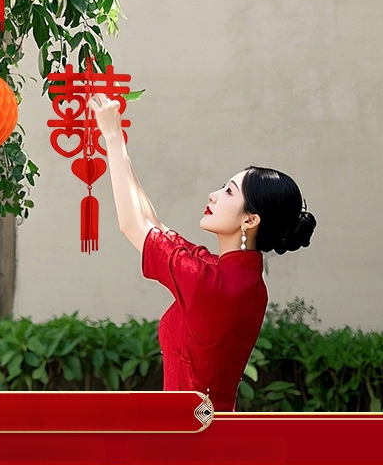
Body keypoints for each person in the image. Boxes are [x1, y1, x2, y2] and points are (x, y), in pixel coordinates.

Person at [88, 93, 317, 412]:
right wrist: (119, 146)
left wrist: (112, 137)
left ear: (250, 220)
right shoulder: (240, 280)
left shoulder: (211, 283)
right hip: (212, 425)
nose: (213, 195)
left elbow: (132, 225)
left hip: (190, 431)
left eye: (228, 192)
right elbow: (155, 225)